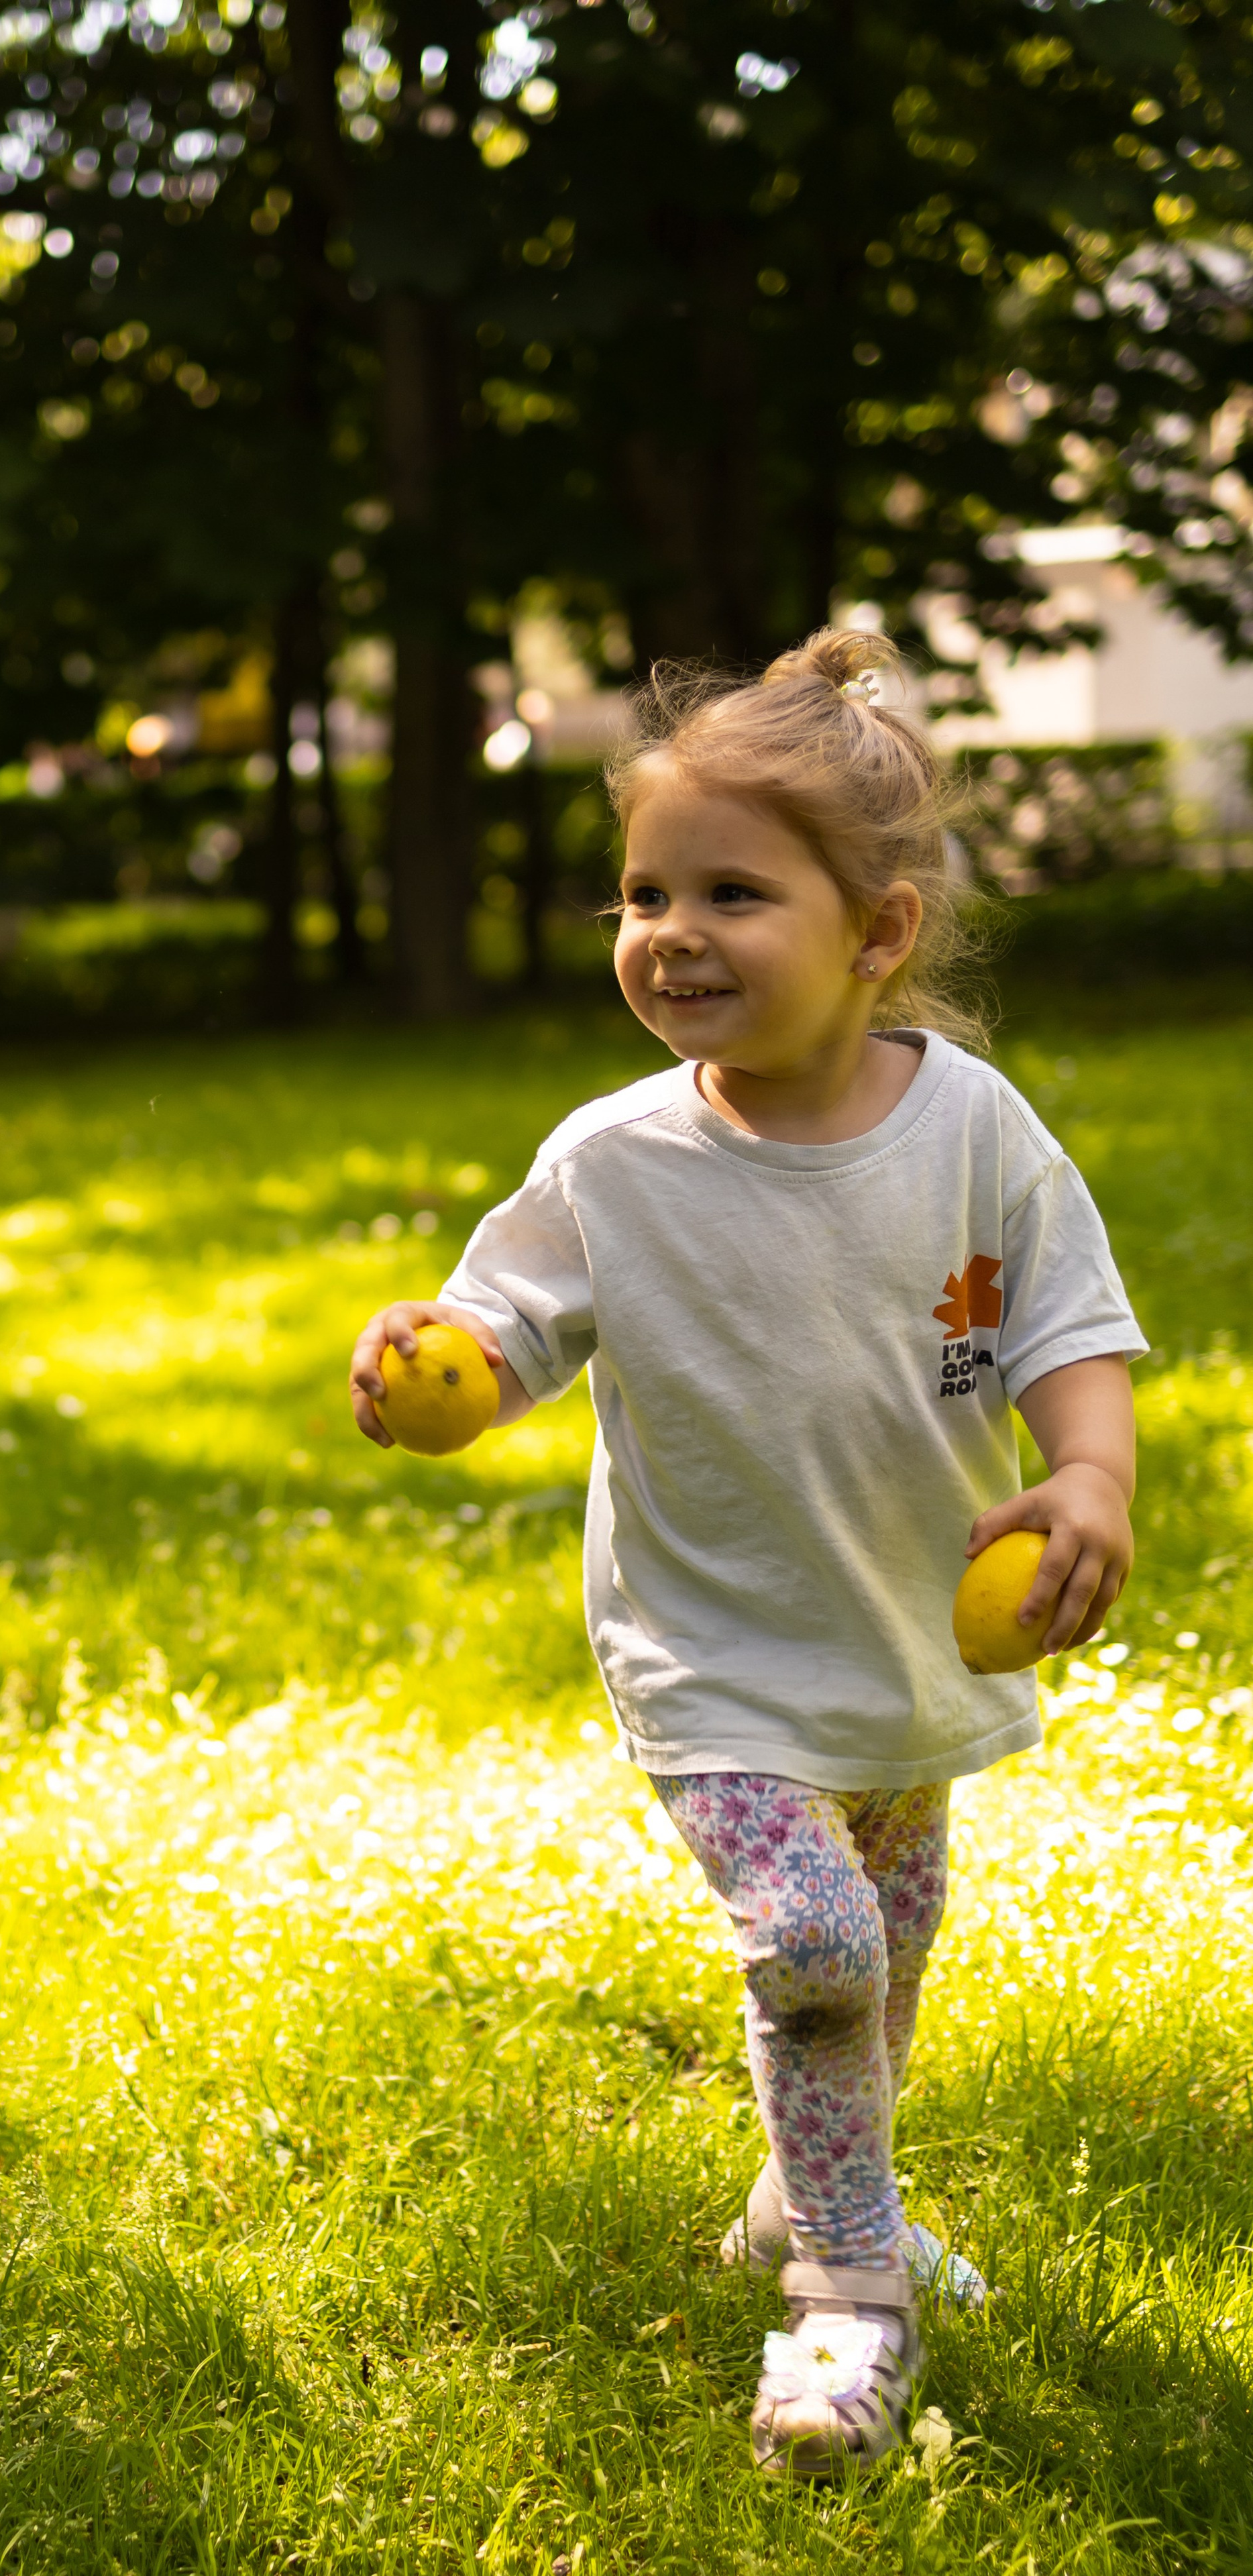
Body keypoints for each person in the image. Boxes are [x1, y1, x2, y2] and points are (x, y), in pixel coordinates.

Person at [347, 630, 1142, 2479]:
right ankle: (848, 2297)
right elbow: (501, 1339)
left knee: (892, 1942)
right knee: (813, 1939)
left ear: (878, 933)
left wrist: (1091, 1479)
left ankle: (807, 2190)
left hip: (907, 1625)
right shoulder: (613, 1161)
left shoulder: (973, 1129)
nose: (670, 933)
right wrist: (427, 1373)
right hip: (710, 1646)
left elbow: (1068, 1327)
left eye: (730, 894)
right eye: (644, 895)